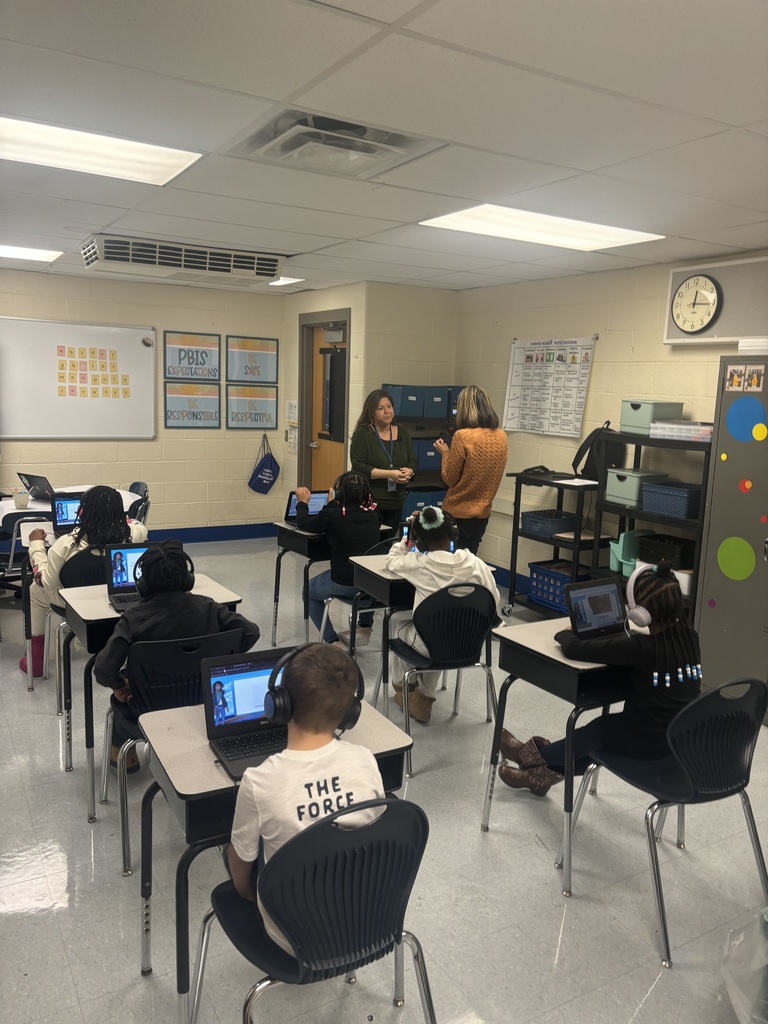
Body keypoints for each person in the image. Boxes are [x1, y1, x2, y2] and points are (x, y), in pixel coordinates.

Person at [227, 643, 385, 954]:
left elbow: (241, 877)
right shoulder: (365, 760)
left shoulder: (258, 782)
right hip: (365, 923)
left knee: (239, 847)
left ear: (279, 705)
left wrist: (248, 895)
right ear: (349, 713)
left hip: (292, 937)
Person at [498, 563, 703, 796]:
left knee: (594, 736)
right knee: (596, 739)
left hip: (649, 745)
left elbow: (575, 648)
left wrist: (566, 632)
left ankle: (528, 755)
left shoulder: (640, 647)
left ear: (640, 613)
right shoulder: (690, 638)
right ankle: (539, 776)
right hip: (680, 743)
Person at [94, 540, 260, 770]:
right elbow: (251, 631)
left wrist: (120, 684)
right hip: (206, 704)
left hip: (149, 711)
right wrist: (222, 657)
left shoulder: (133, 618)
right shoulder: (209, 607)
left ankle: (123, 757)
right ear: (188, 579)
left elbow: (102, 670)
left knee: (117, 702)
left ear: (142, 585)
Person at [383, 505, 501, 724]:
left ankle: (403, 689)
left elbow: (390, 562)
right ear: (454, 533)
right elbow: (494, 602)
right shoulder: (477, 564)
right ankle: (425, 698)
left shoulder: (419, 564)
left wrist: (404, 542)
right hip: (470, 646)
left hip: (432, 647)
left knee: (400, 622)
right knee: (440, 629)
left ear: (418, 542)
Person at [22, 485, 148, 677]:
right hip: (116, 599)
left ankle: (36, 660)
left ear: (81, 512)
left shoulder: (65, 543)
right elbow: (138, 524)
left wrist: (36, 545)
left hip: (76, 603)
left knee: (35, 590)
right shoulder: (134, 534)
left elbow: (47, 582)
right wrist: (115, 519)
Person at [296, 473, 381, 647]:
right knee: (366, 577)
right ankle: (364, 627)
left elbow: (304, 523)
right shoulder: (375, 517)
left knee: (308, 591)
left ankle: (332, 640)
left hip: (344, 582)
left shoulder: (331, 515)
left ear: (339, 494)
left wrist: (302, 503)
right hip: (373, 587)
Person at [433, 384, 507, 554]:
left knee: (452, 562)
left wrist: (445, 453)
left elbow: (449, 477)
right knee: (470, 558)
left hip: (457, 513)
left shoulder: (462, 436)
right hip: (482, 513)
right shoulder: (501, 436)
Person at [350, 389, 417, 532]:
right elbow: (359, 467)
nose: (387, 411)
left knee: (389, 546)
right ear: (372, 412)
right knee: (372, 547)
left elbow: (413, 461)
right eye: (380, 408)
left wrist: (410, 471)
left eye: (389, 406)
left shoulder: (402, 433)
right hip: (370, 502)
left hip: (396, 501)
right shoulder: (363, 434)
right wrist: (390, 474)